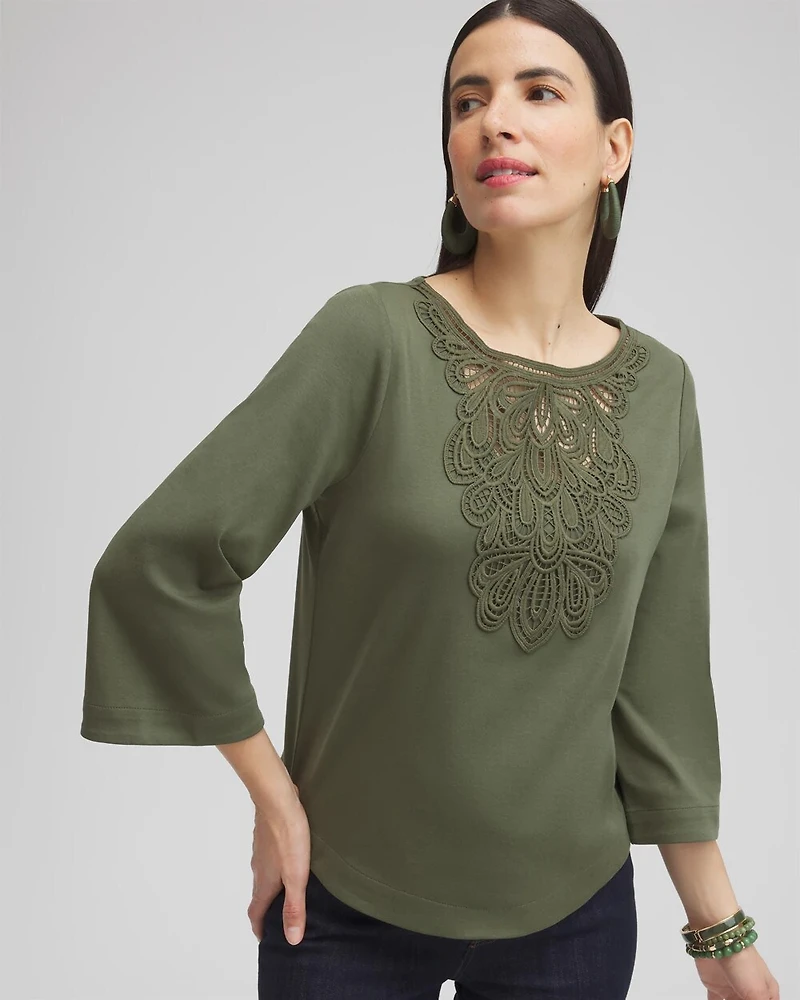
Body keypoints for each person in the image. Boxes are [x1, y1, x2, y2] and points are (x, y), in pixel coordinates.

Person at [80, 1, 781, 998]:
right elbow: (162, 562)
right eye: (467, 101)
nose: (495, 121)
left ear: (614, 148)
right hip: (345, 909)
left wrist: (720, 934)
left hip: (575, 920)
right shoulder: (370, 338)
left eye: (539, 92)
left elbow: (659, 685)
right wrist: (273, 795)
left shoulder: (659, 389)